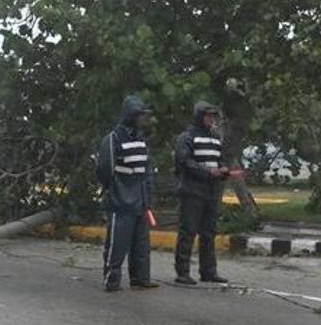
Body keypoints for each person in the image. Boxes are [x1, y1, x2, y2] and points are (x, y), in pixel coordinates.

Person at [95, 95, 159, 292]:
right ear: (131, 115)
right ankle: (111, 280)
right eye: (139, 115)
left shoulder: (140, 139)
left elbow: (146, 169)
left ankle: (140, 279)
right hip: (121, 199)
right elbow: (105, 170)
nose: (142, 119)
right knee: (117, 243)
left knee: (141, 244)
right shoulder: (114, 138)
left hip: (140, 199)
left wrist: (147, 197)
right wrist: (115, 192)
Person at [173, 101, 229, 285]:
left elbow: (218, 160)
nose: (211, 119)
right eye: (208, 116)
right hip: (192, 190)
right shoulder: (187, 137)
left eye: (213, 116)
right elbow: (184, 162)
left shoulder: (214, 137)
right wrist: (208, 172)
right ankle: (182, 272)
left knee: (209, 232)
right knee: (188, 231)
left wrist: (223, 170)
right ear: (199, 116)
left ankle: (208, 271)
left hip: (211, 191)